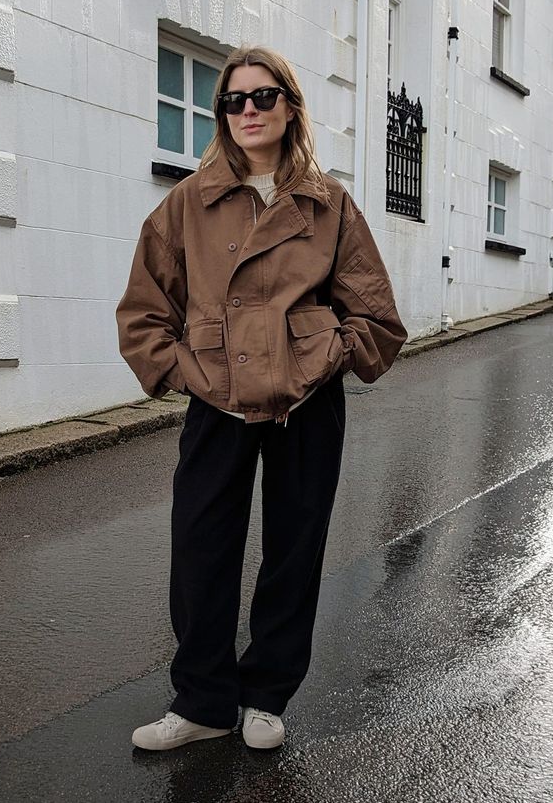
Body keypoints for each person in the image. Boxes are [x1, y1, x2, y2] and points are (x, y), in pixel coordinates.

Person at [117, 45, 406, 751]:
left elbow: (377, 320)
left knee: (293, 550)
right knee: (200, 549)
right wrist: (188, 371)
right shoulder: (188, 202)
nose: (247, 110)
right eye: (233, 100)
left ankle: (268, 693)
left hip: (306, 402)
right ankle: (205, 701)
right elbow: (144, 312)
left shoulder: (329, 204)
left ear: (290, 105)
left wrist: (325, 352)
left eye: (262, 96)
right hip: (217, 401)